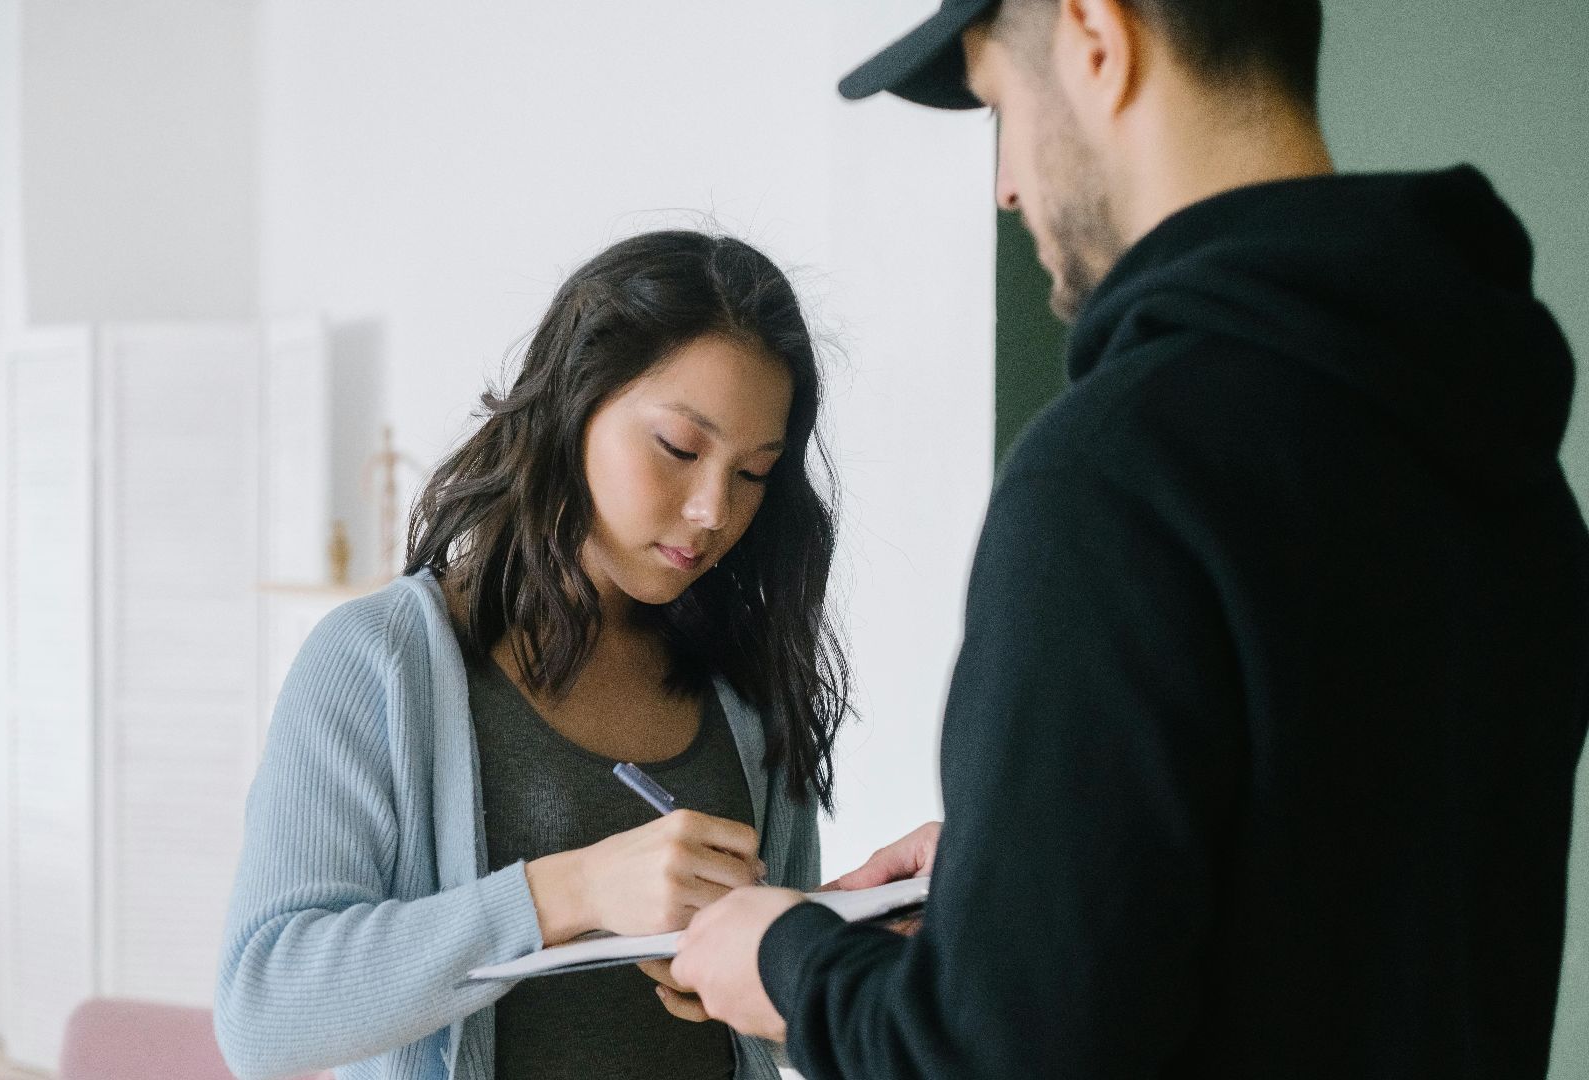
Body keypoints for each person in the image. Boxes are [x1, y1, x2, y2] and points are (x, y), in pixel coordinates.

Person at [666, 0, 1589, 1076]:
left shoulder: (1121, 469)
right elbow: (1336, 900)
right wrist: (1021, 880)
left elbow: (999, 1061)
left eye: (1001, 106)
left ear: (1098, 39)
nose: (1006, 181)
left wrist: (790, 961)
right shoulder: (1497, 456)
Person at [214, 230, 850, 1080]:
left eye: (754, 473)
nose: (712, 510)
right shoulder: (380, 664)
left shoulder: (745, 683)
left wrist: (820, 959)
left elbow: (774, 1029)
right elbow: (263, 1011)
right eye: (680, 449)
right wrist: (573, 893)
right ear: (574, 404)